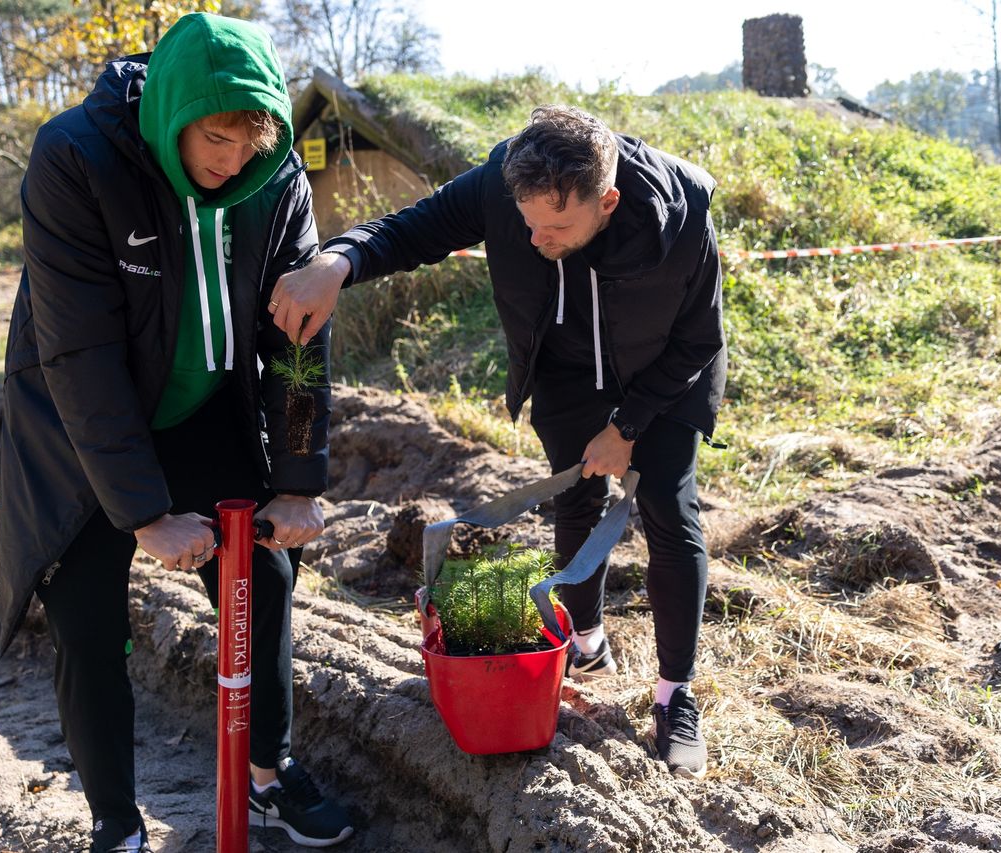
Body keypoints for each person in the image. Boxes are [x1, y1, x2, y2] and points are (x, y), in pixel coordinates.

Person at [270, 104, 725, 779]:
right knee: (575, 501)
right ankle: (588, 642)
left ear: (608, 201)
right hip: (568, 371)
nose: (537, 238)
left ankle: (674, 695)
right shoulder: (501, 181)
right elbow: (412, 229)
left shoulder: (680, 214)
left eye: (557, 226)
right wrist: (338, 261)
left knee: (668, 512)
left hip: (664, 375)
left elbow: (698, 338)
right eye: (527, 222)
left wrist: (627, 427)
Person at [0, 13, 353, 851]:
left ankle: (269, 774)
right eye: (216, 138)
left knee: (262, 579)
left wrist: (298, 479)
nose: (233, 160)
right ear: (173, 114)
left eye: (251, 140)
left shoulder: (274, 174)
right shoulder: (76, 160)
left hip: (199, 407)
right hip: (82, 425)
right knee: (85, 621)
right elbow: (78, 355)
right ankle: (116, 824)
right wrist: (146, 512)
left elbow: (298, 334)